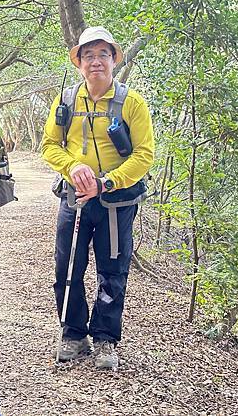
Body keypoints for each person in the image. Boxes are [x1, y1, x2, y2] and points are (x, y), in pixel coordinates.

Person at [41, 27, 154, 369]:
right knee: (68, 266)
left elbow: (144, 155)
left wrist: (105, 182)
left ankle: (105, 338)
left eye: (103, 54)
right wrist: (72, 165)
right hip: (74, 199)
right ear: (78, 62)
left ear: (114, 60)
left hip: (115, 202)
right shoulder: (65, 100)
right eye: (88, 56)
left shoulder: (131, 102)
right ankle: (74, 334)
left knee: (113, 270)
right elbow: (49, 146)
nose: (95, 62)